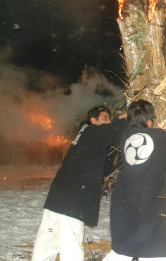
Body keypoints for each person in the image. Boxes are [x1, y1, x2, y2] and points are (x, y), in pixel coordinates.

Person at [32, 105, 128, 261]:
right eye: (105, 118)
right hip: (73, 196)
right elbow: (115, 130)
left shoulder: (85, 135)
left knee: (49, 235)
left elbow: (101, 166)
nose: (108, 121)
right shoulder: (92, 131)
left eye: (109, 118)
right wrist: (130, 115)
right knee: (72, 238)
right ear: (93, 120)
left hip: (60, 194)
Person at [104, 100, 166, 261]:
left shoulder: (125, 135)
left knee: (121, 252)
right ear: (150, 120)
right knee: (154, 254)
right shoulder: (160, 135)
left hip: (124, 201)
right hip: (152, 203)